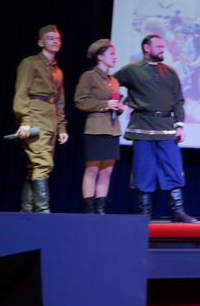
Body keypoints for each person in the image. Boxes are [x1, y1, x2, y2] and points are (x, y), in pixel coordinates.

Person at [113, 34, 199, 223]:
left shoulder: (169, 72)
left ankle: (177, 211)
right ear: (146, 48)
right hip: (143, 127)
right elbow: (110, 83)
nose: (162, 49)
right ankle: (144, 215)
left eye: (162, 46)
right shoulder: (131, 70)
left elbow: (178, 101)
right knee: (144, 169)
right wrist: (120, 100)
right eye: (158, 46)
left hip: (166, 128)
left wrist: (179, 125)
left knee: (174, 168)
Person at [13, 25, 69, 213]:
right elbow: (21, 93)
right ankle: (43, 213)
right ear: (40, 42)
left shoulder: (58, 71)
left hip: (50, 121)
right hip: (34, 119)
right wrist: (24, 121)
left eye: (58, 38)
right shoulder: (30, 63)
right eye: (50, 38)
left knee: (36, 166)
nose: (55, 41)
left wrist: (61, 127)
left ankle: (26, 212)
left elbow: (60, 102)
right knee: (43, 163)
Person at [73, 39, 124, 214]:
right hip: (96, 129)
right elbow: (80, 101)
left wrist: (119, 107)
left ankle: (100, 209)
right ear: (100, 57)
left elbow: (114, 104)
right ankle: (90, 210)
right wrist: (104, 104)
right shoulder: (89, 76)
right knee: (92, 169)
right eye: (111, 54)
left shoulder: (114, 80)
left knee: (107, 170)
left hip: (112, 129)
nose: (115, 57)